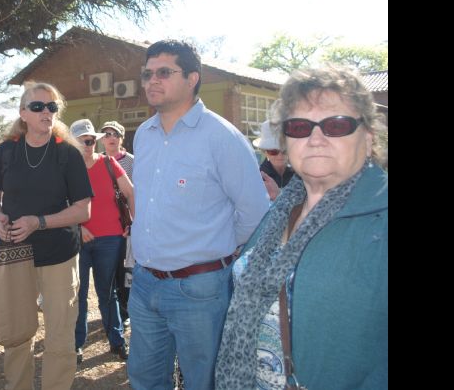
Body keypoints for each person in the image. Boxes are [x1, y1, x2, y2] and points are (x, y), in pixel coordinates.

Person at [215, 65, 388, 390]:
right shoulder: (281, 209)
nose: (316, 138)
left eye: (336, 124)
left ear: (367, 137)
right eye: (299, 126)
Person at [127, 39, 269, 390]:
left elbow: (255, 212)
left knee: (202, 382)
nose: (152, 81)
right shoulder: (144, 135)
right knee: (145, 379)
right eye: (147, 73)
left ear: (192, 78)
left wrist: (217, 246)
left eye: (164, 72)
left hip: (199, 289)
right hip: (144, 283)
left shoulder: (222, 137)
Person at [0, 82, 92, 390]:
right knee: (17, 333)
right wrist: (1, 217)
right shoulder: (5, 151)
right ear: (23, 113)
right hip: (16, 254)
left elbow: (84, 211)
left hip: (59, 254)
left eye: (52, 107)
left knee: (59, 333)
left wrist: (39, 222)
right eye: (38, 107)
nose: (46, 112)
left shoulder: (68, 153)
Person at [71, 119, 133, 364]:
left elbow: (130, 191)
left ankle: (117, 342)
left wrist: (133, 223)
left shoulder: (109, 163)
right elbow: (57, 204)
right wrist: (77, 227)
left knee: (108, 294)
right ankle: (76, 345)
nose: (87, 145)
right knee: (79, 294)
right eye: (82, 141)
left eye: (90, 140)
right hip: (79, 242)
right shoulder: (67, 168)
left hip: (110, 238)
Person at [99, 120, 135, 329]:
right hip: (104, 223)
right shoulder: (95, 161)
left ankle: (125, 309)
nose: (111, 137)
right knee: (107, 270)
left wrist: (134, 220)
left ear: (121, 138)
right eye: (106, 134)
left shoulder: (132, 161)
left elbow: (136, 193)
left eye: (115, 134)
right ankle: (111, 313)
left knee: (125, 269)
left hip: (126, 223)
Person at [253, 120, 296, 201]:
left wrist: (279, 194)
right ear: (264, 151)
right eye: (273, 151)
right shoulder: (257, 178)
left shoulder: (301, 175)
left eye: (284, 150)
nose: (279, 155)